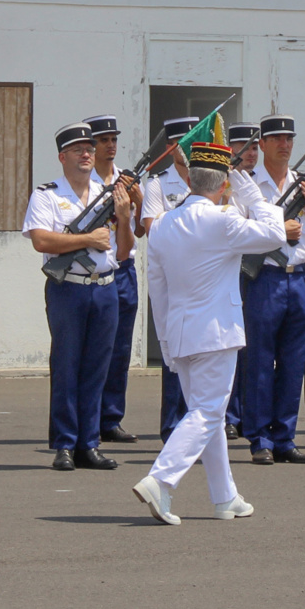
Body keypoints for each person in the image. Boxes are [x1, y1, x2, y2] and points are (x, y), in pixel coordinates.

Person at [133, 142, 287, 525]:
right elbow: (276, 234)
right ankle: (160, 479)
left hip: (180, 332)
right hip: (216, 333)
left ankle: (225, 497)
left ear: (190, 180)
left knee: (209, 414)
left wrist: (164, 340)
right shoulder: (223, 221)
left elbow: (157, 287)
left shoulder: (163, 224)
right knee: (207, 412)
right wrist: (253, 196)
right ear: (223, 185)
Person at [23, 123, 133, 470]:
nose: (86, 154)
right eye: (78, 150)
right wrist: (86, 240)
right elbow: (41, 240)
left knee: (98, 368)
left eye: (89, 149)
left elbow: (124, 252)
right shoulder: (47, 195)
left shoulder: (108, 194)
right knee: (67, 366)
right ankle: (65, 444)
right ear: (62, 157)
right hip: (68, 288)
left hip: (105, 288)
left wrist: (124, 218)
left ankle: (89, 443)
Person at [240, 114, 305, 465]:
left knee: (294, 362)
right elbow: (237, 232)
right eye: (276, 138)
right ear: (261, 144)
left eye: (288, 138)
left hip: (300, 278)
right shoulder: (247, 185)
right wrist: (276, 231)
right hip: (265, 278)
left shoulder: (304, 185)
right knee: (260, 361)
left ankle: (285, 437)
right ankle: (260, 438)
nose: (284, 144)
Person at [141, 116, 198, 441]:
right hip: (172, 280)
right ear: (169, 148)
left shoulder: (207, 179)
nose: (186, 149)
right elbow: (152, 228)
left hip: (203, 278)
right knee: (173, 350)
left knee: (202, 352)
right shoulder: (158, 184)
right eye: (180, 143)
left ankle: (198, 427)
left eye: (191, 142)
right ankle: (173, 429)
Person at [88, 114, 143, 445]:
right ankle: (89, 418)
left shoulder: (126, 180)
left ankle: (111, 418)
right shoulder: (87, 183)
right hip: (96, 268)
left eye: (113, 140)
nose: (110, 146)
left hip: (124, 270)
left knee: (120, 349)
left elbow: (140, 230)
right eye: (103, 140)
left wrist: (137, 199)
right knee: (96, 350)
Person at [224, 121, 261, 441]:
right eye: (244, 147)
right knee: (232, 345)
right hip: (233, 271)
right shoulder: (225, 183)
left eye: (255, 147)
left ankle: (249, 413)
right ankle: (230, 415)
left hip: (259, 273)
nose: (251, 153)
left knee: (254, 348)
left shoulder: (260, 184)